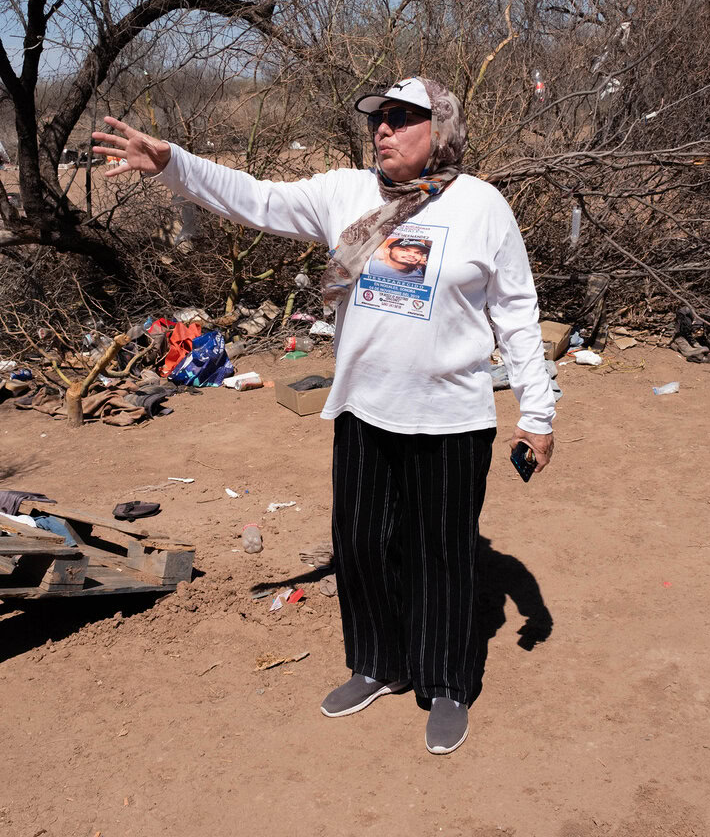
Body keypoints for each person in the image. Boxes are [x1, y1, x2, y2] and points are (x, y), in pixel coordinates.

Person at [92, 75, 555, 756]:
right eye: (379, 119)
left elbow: (517, 315)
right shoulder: (346, 193)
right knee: (362, 546)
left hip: (450, 420)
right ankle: (378, 664)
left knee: (444, 556)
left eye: (402, 118)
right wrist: (175, 165)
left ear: (443, 130)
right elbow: (257, 198)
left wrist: (537, 413)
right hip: (365, 412)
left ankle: (448, 680)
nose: (384, 129)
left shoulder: (482, 206)